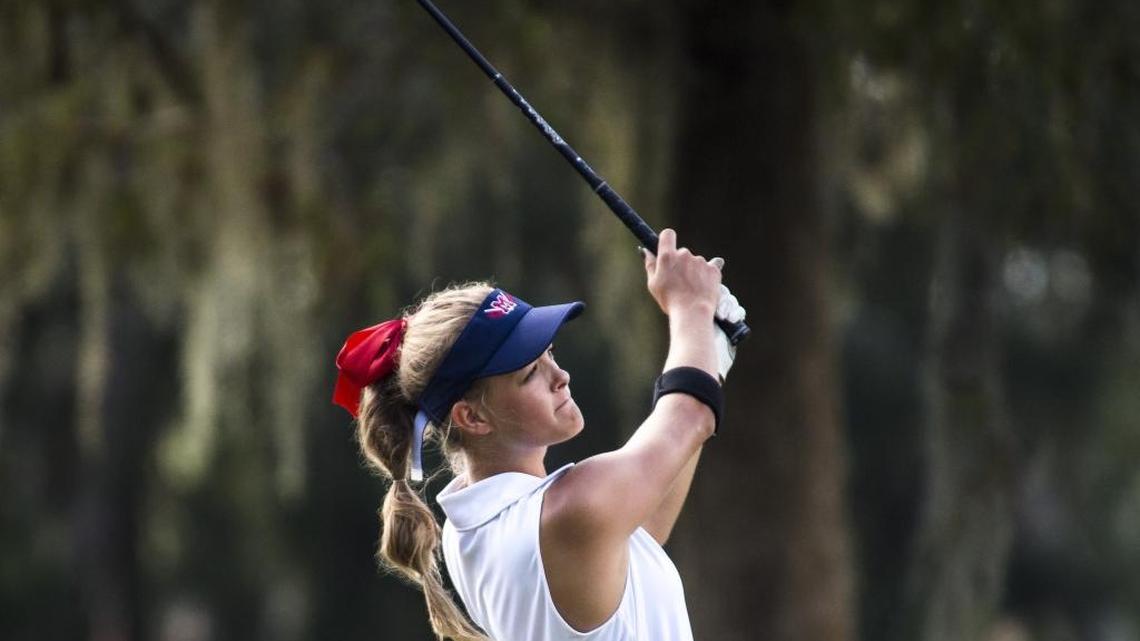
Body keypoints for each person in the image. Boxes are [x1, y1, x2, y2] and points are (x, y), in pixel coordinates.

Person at [332, 229, 746, 640]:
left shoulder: (469, 526)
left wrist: (708, 354)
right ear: (472, 418)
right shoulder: (567, 511)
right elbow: (691, 418)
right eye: (531, 372)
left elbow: (642, 528)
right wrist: (690, 307)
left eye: (549, 353)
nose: (560, 376)